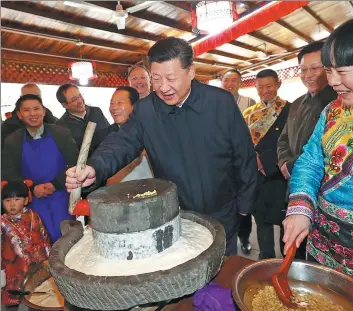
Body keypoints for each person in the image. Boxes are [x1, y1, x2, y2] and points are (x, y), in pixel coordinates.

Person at [65, 37, 258, 256]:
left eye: (171, 78)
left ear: (191, 71)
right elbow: (123, 142)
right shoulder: (146, 111)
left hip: (223, 209)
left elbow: (244, 155)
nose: (163, 87)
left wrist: (245, 204)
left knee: (223, 270)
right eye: (156, 79)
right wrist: (95, 167)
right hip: (177, 212)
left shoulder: (220, 103)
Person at [281, 9, 353, 310]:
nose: (332, 81)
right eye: (328, 70)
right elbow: (311, 160)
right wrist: (300, 207)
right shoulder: (334, 110)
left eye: (342, 71)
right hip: (324, 253)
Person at [277, 41, 338, 259]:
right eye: (303, 70)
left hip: (321, 193)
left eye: (315, 68)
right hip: (294, 189)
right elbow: (282, 138)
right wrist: (283, 163)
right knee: (289, 246)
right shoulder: (296, 103)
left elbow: (321, 149)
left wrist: (293, 166)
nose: (308, 75)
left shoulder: (339, 101)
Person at [2, 94, 78, 242]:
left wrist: (55, 184)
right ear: (19, 114)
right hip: (32, 200)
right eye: (27, 110)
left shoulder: (61, 133)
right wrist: (32, 188)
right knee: (39, 241)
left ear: (43, 111)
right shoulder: (13, 140)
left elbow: (75, 164)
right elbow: (9, 172)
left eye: (36, 108)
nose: (33, 113)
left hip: (63, 195)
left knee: (67, 239)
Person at [242, 69, 290, 259]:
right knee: (261, 220)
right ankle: (266, 259)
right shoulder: (248, 113)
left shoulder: (290, 109)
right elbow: (242, 142)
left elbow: (291, 143)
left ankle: (288, 260)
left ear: (278, 84)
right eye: (260, 87)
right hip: (256, 176)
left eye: (269, 86)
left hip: (279, 174)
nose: (265, 91)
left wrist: (267, 161)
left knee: (283, 220)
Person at [221, 68, 256, 254]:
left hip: (243, 158)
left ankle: (244, 238)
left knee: (244, 203)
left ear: (240, 83)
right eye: (226, 80)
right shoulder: (215, 103)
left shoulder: (249, 103)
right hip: (224, 162)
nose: (230, 84)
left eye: (234, 80)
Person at [1, 181, 51, 307]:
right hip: (14, 266)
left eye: (17, 199)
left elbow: (44, 236)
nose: (12, 204)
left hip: (38, 262)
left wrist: (49, 259)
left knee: (39, 294)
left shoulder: (34, 216)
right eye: (7, 201)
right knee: (16, 295)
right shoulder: (2, 222)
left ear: (25, 200)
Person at [104, 86, 153, 184]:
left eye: (120, 103)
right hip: (118, 194)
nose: (114, 107)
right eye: (111, 103)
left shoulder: (149, 131)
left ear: (134, 105)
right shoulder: (106, 136)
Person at [56, 83, 110, 154]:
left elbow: (109, 133)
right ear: (64, 105)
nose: (80, 101)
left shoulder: (96, 111)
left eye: (80, 95)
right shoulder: (61, 126)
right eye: (74, 99)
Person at [1, 83, 58, 148]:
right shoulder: (9, 126)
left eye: (37, 97)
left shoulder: (51, 119)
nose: (33, 101)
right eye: (28, 98)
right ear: (20, 98)